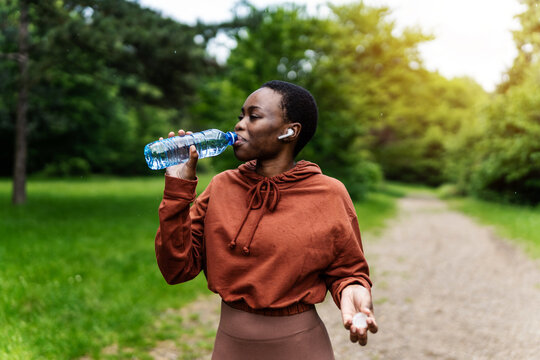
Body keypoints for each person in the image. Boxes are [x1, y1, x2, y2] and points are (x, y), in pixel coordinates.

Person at [154, 80, 378, 359]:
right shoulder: (222, 186)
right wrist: (177, 190)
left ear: (289, 131)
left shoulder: (328, 193)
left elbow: (348, 271)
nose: (239, 125)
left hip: (301, 348)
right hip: (229, 347)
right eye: (240, 116)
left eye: (254, 116)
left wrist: (354, 292)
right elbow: (176, 270)